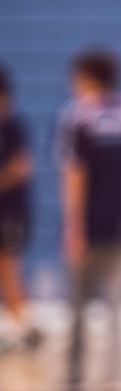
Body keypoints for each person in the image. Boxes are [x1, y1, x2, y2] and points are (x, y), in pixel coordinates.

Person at [53, 49, 121, 389]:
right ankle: (112, 381)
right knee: (116, 312)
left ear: (86, 77)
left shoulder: (77, 115)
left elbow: (73, 174)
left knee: (77, 311)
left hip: (89, 228)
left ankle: (73, 379)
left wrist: (73, 227)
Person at [0, 64, 42, 354]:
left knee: (8, 264)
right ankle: (17, 323)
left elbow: (22, 167)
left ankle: (24, 325)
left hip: (11, 210)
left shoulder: (13, 126)